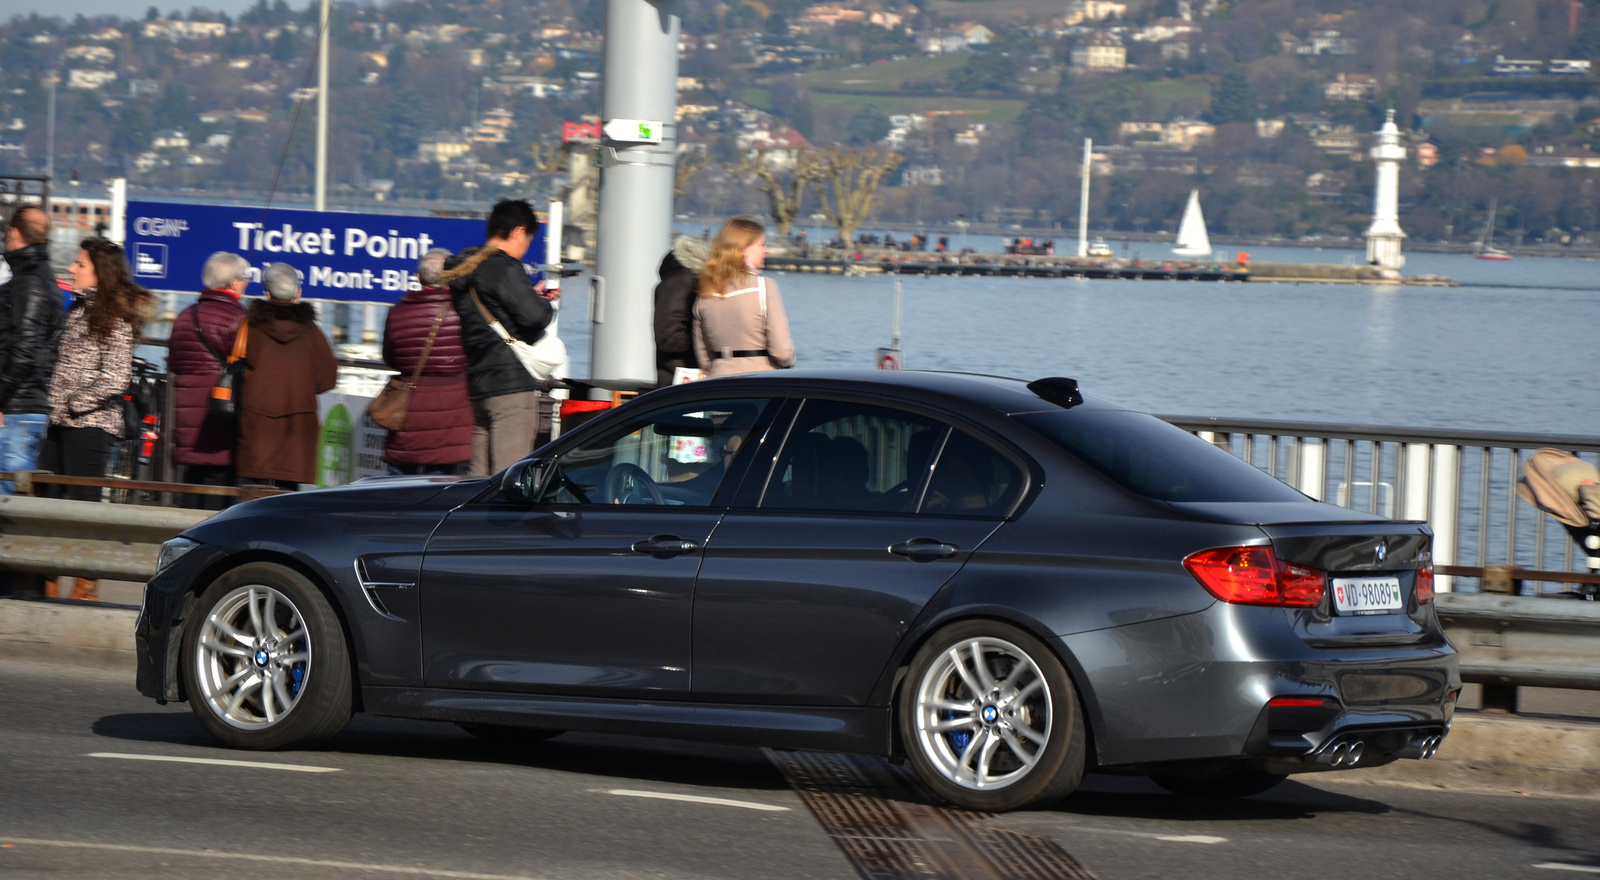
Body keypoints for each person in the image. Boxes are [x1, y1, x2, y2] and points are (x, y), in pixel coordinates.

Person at [39, 238, 155, 600]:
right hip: (58, 423)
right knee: (45, 501)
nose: (71, 269)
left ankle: (84, 588)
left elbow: (116, 377)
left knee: (82, 505)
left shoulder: (114, 317)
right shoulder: (78, 309)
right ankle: (45, 581)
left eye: (80, 264)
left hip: (89, 426)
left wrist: (75, 403)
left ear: (100, 274)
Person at [439, 198, 556, 476]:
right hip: (510, 385)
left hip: (480, 382)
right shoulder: (503, 267)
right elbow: (535, 317)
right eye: (527, 239)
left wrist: (527, 297)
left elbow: (490, 311)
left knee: (478, 482)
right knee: (509, 479)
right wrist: (544, 304)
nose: (526, 247)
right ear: (518, 231)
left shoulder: (465, 266)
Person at [235, 262, 337, 491]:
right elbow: (328, 378)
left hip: (256, 418)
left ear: (266, 293)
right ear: (298, 293)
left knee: (248, 487)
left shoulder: (250, 327)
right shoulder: (313, 332)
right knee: (286, 493)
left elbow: (235, 366)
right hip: (298, 420)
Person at [166, 251, 249, 507]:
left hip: (188, 421)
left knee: (192, 489)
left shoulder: (184, 317)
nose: (246, 283)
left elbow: (174, 365)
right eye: (244, 278)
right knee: (219, 500)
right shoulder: (240, 320)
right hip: (223, 418)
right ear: (234, 283)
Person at [381, 248, 472, 475]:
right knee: (442, 496)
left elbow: (390, 358)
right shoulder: (463, 312)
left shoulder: (397, 312)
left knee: (398, 495)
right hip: (452, 417)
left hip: (408, 415)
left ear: (418, 278)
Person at [0, 206, 64, 496]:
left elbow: (25, 349)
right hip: (23, 406)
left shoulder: (30, 281)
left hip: (16, 409)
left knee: (8, 499)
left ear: (13, 232)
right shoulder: (39, 277)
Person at [692, 217, 795, 378]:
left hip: (717, 380)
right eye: (762, 244)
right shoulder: (765, 287)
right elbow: (782, 351)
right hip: (759, 380)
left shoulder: (705, 291)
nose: (766, 250)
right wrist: (788, 362)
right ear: (743, 249)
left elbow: (703, 357)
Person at [652, 235, 708, 387]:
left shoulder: (687, 280)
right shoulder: (680, 281)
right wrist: (707, 340)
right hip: (682, 378)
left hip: (686, 377)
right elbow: (668, 338)